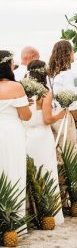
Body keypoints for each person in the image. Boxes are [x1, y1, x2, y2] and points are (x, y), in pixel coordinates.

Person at [24, 60, 65, 225]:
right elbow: (47, 119)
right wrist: (59, 116)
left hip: (26, 136)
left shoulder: (23, 90)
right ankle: (48, 213)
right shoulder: (45, 93)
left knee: (29, 173)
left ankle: (29, 214)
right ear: (44, 73)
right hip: (42, 136)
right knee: (46, 172)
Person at [0, 50, 32, 223]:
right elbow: (26, 116)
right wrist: (25, 104)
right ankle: (13, 222)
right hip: (11, 133)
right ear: (8, 66)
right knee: (13, 170)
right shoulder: (16, 87)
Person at [48, 40, 77, 162]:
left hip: (53, 116)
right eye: (72, 51)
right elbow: (70, 101)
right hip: (65, 117)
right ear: (68, 54)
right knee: (69, 154)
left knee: (58, 153)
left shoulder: (51, 74)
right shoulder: (66, 74)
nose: (74, 54)